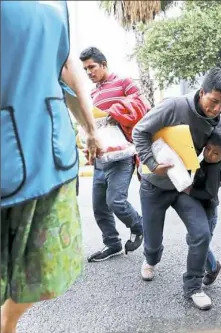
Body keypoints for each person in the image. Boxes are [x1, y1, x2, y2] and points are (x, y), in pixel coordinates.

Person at [1, 1, 100, 332]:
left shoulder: (58, 4)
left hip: (49, 155)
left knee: (43, 268)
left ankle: (8, 322)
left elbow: (64, 63)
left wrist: (90, 129)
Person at [132, 68, 221, 310]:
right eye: (214, 101)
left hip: (183, 186)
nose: (217, 109)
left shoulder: (216, 120)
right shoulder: (173, 106)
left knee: (201, 233)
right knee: (153, 243)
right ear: (202, 92)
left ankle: (193, 286)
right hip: (154, 185)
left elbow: (212, 151)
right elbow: (140, 131)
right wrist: (152, 163)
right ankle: (151, 258)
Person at [80, 47, 150, 262]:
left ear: (104, 64)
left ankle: (139, 226)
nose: (89, 72)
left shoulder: (123, 82)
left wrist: (114, 113)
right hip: (101, 157)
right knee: (99, 207)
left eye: (92, 67)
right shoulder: (92, 94)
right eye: (85, 69)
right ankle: (112, 244)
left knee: (115, 202)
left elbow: (142, 105)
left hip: (122, 156)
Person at [184, 127, 221, 286]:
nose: (209, 155)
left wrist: (190, 191)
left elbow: (209, 193)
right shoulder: (212, 161)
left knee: (198, 242)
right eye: (208, 149)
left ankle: (213, 267)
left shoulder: (213, 168)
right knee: (194, 240)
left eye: (215, 153)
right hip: (203, 210)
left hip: (208, 212)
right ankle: (211, 266)